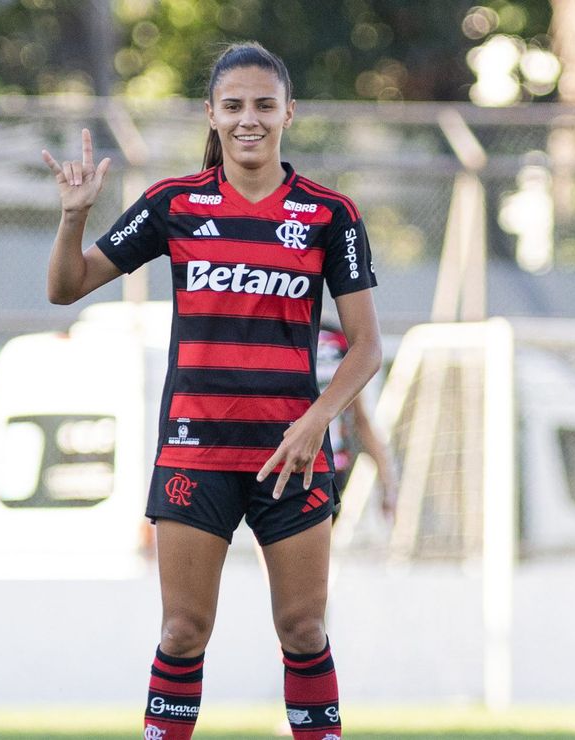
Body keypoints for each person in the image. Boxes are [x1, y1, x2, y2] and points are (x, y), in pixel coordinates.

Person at [41, 42, 380, 740]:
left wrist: (317, 420)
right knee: (184, 631)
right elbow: (65, 288)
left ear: (289, 111)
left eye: (263, 104)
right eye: (234, 106)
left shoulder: (328, 214)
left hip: (290, 457)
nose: (248, 119)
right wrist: (74, 214)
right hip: (196, 454)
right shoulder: (175, 204)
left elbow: (366, 347)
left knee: (305, 628)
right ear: (212, 114)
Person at [316, 316, 396, 520]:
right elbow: (362, 419)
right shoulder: (337, 338)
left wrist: (386, 479)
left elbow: (360, 417)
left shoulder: (338, 339)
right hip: (325, 467)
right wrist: (387, 480)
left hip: (322, 468)